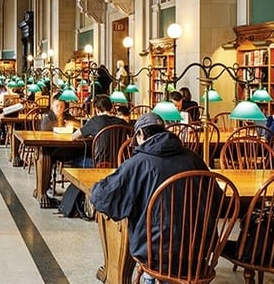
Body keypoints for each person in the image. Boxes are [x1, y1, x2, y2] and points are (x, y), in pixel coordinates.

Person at [90, 112, 210, 275]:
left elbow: (102, 198)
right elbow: (218, 201)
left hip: (157, 252)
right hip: (199, 249)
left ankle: (147, 277)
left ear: (140, 134)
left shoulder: (138, 163)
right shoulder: (194, 159)